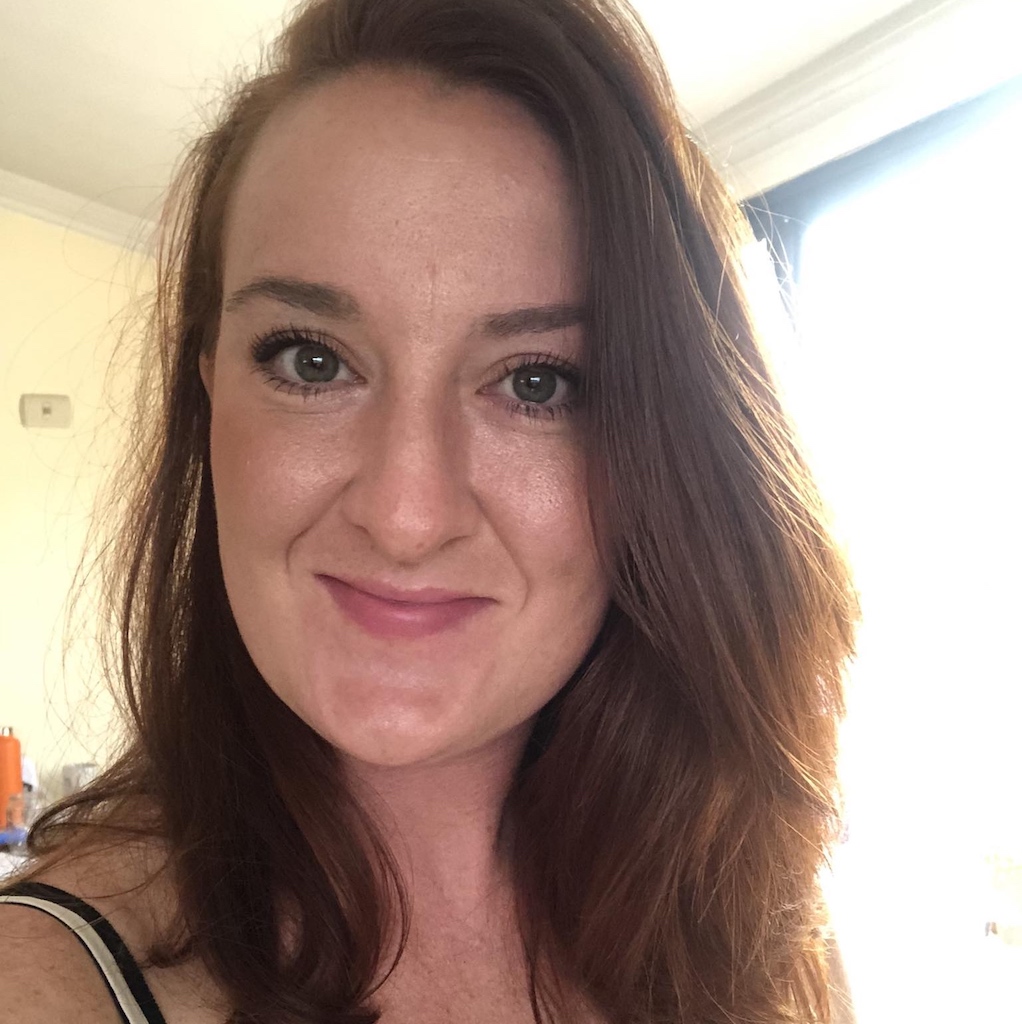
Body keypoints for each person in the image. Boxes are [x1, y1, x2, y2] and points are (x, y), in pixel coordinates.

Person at [0, 0, 859, 1021]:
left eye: (537, 381)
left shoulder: (751, 914)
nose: (406, 515)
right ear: (209, 394)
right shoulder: (46, 987)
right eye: (312, 362)